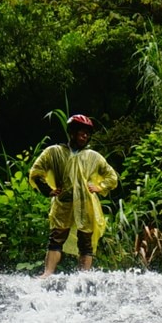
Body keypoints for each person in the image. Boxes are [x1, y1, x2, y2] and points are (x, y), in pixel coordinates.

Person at [29, 113, 118, 275]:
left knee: (86, 242)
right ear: (72, 132)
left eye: (87, 133)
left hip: (86, 205)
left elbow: (112, 177)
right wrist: (48, 190)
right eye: (81, 132)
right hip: (63, 203)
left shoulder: (93, 157)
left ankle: (83, 276)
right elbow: (36, 172)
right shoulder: (54, 152)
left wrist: (100, 187)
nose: (85, 136)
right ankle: (47, 273)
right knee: (56, 239)